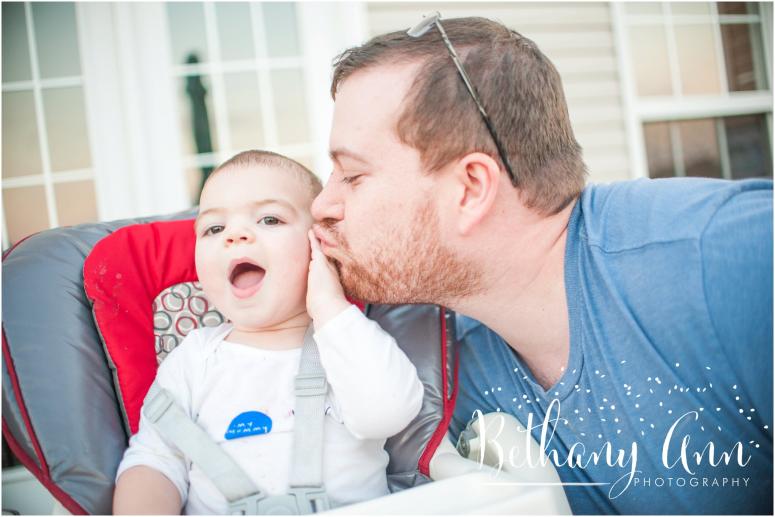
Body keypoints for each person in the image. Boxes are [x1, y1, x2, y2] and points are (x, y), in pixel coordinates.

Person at [310, 15, 773, 514]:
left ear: (470, 189)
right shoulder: (428, 359)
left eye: (352, 175)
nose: (322, 205)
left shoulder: (724, 259)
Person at [113, 150, 424, 514]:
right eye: (214, 228)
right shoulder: (194, 358)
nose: (236, 236)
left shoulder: (345, 342)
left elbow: (387, 412)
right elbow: (155, 461)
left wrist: (329, 306)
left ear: (318, 246)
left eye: (269, 219)